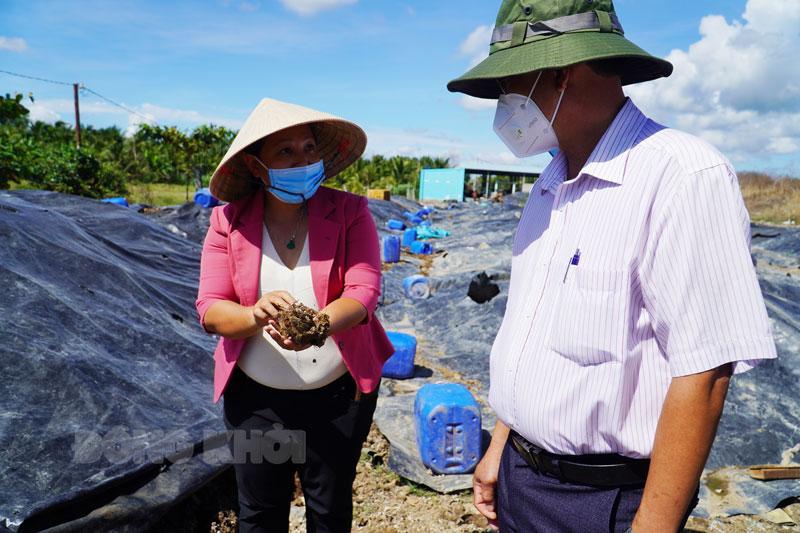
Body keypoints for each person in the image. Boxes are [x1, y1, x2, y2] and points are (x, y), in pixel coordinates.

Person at [447, 1, 777, 531]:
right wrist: (501, 449)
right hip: (520, 476)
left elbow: (706, 370)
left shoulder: (682, 177)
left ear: (560, 70)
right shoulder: (550, 184)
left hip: (600, 500)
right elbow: (532, 333)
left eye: (510, 84)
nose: (504, 104)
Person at [196, 97, 394, 532]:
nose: (302, 159)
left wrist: (318, 326)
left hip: (338, 398)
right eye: (285, 151)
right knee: (261, 513)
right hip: (257, 403)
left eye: (308, 148)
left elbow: (364, 293)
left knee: (329, 509)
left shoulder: (349, 212)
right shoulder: (227, 223)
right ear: (255, 166)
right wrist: (254, 314)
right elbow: (211, 309)